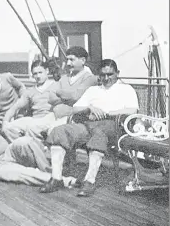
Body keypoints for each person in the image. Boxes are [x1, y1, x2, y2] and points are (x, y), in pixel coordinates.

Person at [41, 59, 139, 197]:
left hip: (113, 126)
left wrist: (106, 113)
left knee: (99, 134)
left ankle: (89, 181)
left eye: (110, 74)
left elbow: (132, 110)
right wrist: (89, 108)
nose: (106, 78)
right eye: (102, 75)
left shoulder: (126, 89)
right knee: (60, 131)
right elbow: (75, 108)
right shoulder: (93, 90)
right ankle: (56, 178)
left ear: (117, 73)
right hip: (88, 124)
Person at [0, 108, 77, 187]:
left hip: (8, 154)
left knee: (24, 141)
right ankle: (63, 180)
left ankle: (51, 171)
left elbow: (3, 145)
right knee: (25, 173)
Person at [1, 60, 60, 142]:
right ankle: (24, 147)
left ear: (46, 71)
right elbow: (15, 108)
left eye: (40, 72)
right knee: (9, 128)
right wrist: (5, 121)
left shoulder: (57, 86)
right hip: (34, 119)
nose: (38, 76)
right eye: (35, 74)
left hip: (51, 117)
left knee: (33, 127)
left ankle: (38, 148)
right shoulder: (30, 91)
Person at [51, 46, 98, 119]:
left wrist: (58, 92)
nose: (68, 63)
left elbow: (75, 97)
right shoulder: (64, 78)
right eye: (67, 60)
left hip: (77, 118)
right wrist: (68, 97)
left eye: (71, 60)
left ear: (83, 60)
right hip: (58, 115)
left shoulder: (90, 78)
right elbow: (51, 98)